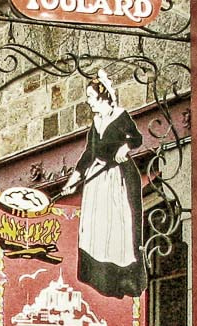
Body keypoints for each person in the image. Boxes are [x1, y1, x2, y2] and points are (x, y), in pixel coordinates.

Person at [60, 71, 146, 300]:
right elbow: (88, 154)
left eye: (90, 96)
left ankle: (119, 278)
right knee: (95, 231)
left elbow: (136, 138)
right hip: (95, 179)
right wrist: (72, 182)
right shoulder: (96, 122)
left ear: (103, 97)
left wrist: (124, 148)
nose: (88, 101)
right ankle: (98, 279)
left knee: (115, 229)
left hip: (115, 179)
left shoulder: (120, 116)